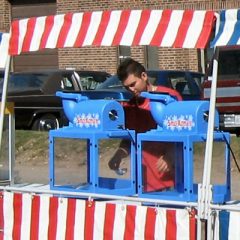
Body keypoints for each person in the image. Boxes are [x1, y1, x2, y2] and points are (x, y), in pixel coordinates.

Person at [108, 58, 182, 192]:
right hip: (142, 180)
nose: (131, 89)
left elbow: (184, 134)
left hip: (170, 180)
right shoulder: (130, 107)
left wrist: (171, 155)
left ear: (144, 76)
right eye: (126, 87)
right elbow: (129, 139)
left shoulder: (170, 98)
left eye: (133, 84)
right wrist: (118, 155)